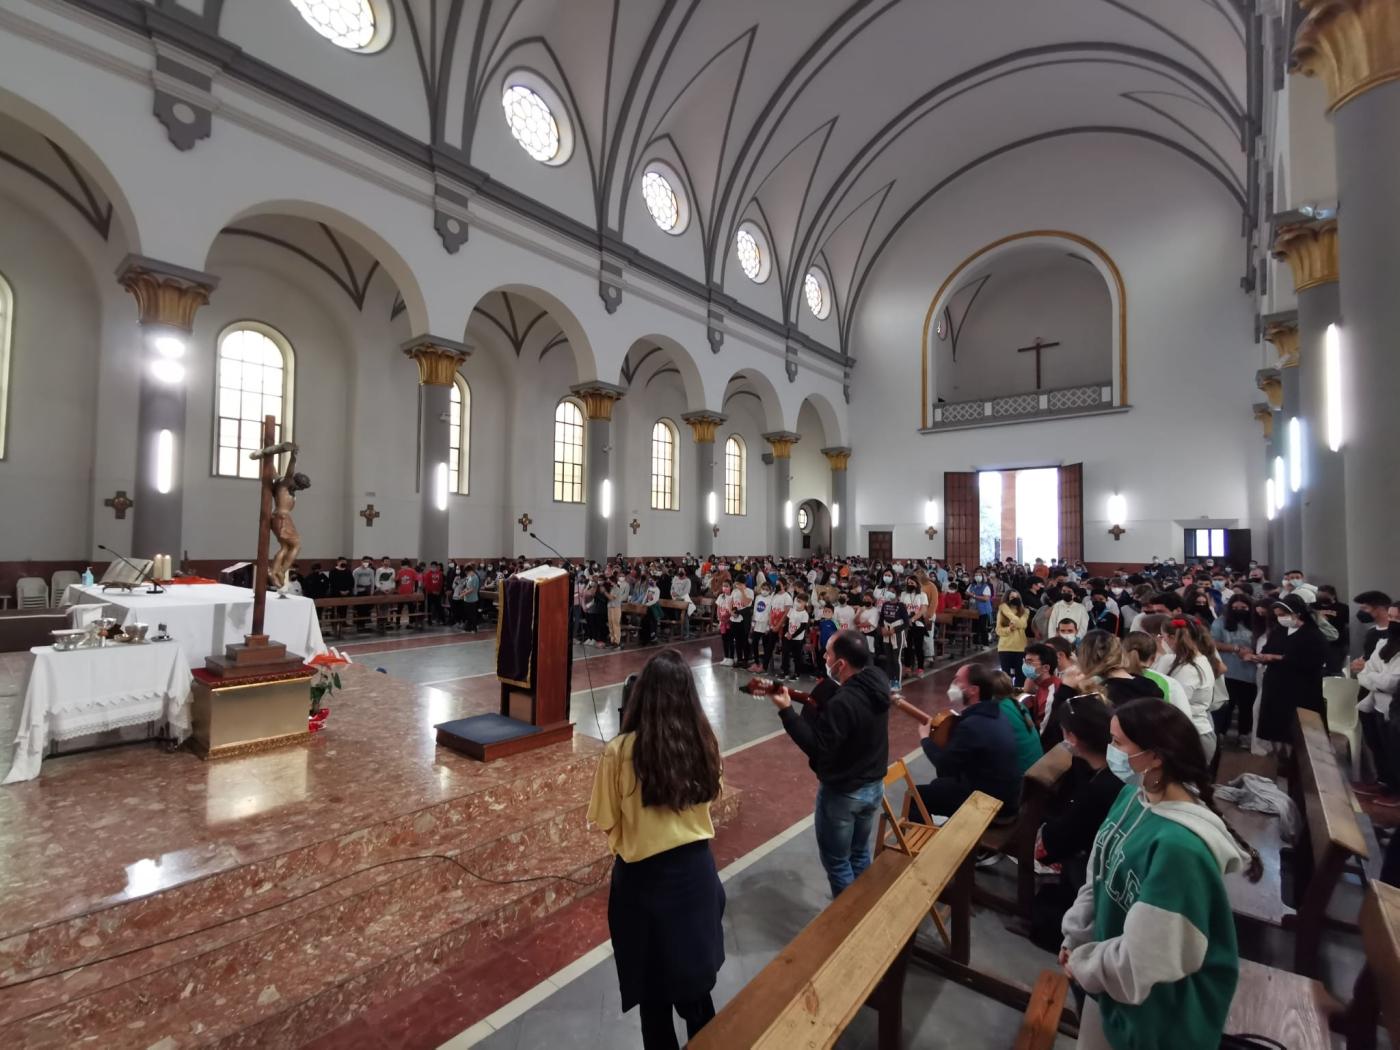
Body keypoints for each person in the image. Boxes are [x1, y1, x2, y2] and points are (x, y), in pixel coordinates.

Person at [1060, 699, 1259, 1050]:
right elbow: (1100, 874)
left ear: (1155, 756)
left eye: (1119, 743)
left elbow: (1149, 959)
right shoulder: (1132, 796)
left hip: (1155, 1007)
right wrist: (1075, 936)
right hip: (1108, 977)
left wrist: (1085, 965)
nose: (1111, 751)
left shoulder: (1181, 848)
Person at [587, 649, 725, 1050]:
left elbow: (606, 820)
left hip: (642, 886)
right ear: (689, 695)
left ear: (641, 694)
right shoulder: (704, 741)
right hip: (696, 876)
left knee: (654, 1003)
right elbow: (709, 799)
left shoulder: (620, 751)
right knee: (697, 996)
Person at [769, 629, 890, 897]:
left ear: (841, 664)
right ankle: (865, 906)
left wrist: (787, 711)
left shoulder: (844, 702)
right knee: (859, 853)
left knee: (837, 863)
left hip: (844, 792)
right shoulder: (877, 681)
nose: (823, 656)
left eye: (828, 653)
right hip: (873, 786)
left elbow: (818, 748)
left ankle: (847, 922)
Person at [1030, 694, 1121, 952]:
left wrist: (1046, 838)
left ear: (1072, 738)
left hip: (1094, 875)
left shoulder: (1102, 787)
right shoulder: (1108, 769)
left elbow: (1060, 839)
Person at [914, 663, 1022, 819]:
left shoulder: (972, 725)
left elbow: (944, 765)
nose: (954, 685)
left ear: (974, 690)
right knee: (938, 785)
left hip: (989, 803)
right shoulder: (997, 713)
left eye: (958, 681)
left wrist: (925, 738)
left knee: (914, 796)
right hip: (1006, 796)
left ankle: (929, 843)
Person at [1247, 593, 1326, 753]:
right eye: (1277, 616)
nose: (1280, 619)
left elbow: (1312, 661)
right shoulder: (1280, 631)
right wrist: (1261, 657)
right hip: (1276, 686)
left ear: (1296, 613)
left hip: (1300, 689)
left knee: (1296, 731)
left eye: (1283, 615)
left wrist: (1279, 658)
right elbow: (1268, 649)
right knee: (1275, 728)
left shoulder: (1312, 634)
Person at [1354, 600, 1400, 805]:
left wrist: (1370, 677)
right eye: (1390, 618)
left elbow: (1391, 682)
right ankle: (1384, 782)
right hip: (1377, 704)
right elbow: (1364, 671)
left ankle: (1397, 791)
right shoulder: (1383, 643)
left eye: (1397, 618)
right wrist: (1372, 678)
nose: (1392, 622)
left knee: (1395, 751)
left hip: (1394, 706)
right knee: (1379, 747)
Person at [1210, 595, 1258, 749]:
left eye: (1243, 608)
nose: (1239, 611)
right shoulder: (1220, 622)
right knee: (1226, 705)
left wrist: (1253, 652)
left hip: (1250, 673)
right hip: (1227, 671)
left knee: (1247, 706)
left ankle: (1244, 735)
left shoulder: (1256, 623)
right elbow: (1212, 643)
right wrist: (1235, 648)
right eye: (1235, 608)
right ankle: (1221, 734)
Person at [996, 590, 1030, 685]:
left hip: (1020, 648)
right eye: (1012, 597)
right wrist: (1009, 629)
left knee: (1021, 676)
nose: (1015, 599)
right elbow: (998, 630)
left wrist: (1006, 610)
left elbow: (1022, 624)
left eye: (1016, 597)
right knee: (1006, 677)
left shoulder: (1025, 611)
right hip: (1005, 647)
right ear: (1007, 599)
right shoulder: (1001, 612)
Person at [781, 595, 811, 681]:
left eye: (800, 601)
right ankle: (785, 671)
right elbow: (787, 622)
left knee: (797, 656)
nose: (798, 603)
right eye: (797, 600)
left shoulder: (805, 614)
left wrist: (792, 635)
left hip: (797, 639)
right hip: (788, 636)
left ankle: (797, 673)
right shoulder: (792, 610)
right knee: (785, 654)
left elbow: (802, 627)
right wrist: (787, 633)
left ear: (805, 603)